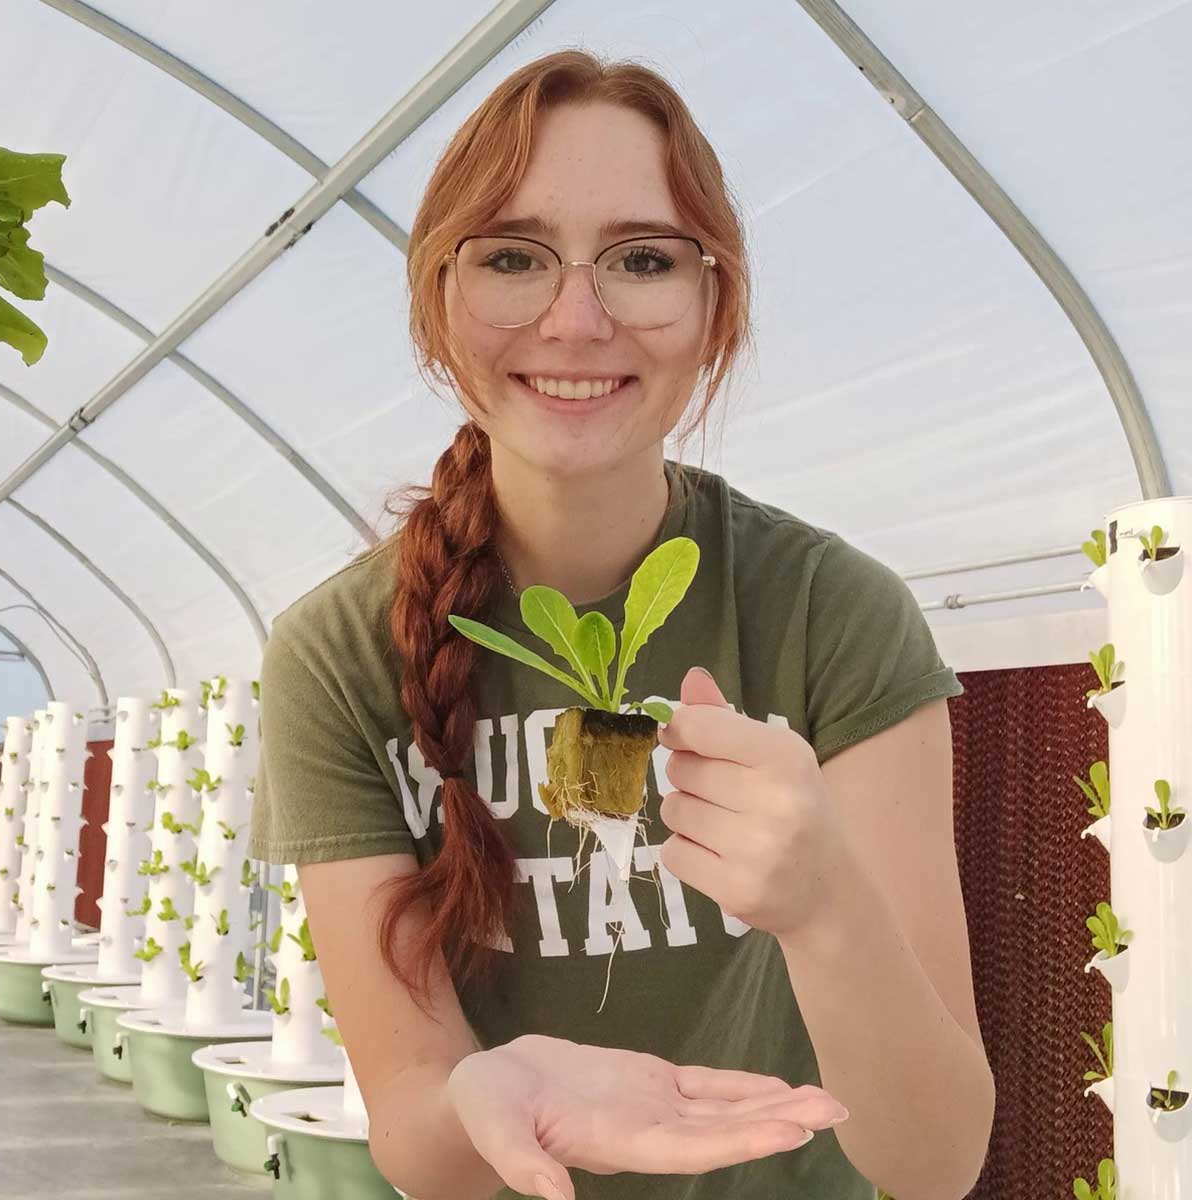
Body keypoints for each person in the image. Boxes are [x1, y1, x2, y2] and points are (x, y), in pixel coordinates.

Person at [249, 49, 965, 1200]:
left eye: (642, 260)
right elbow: (424, 1148)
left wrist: (829, 907)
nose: (575, 319)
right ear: (440, 300)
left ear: (715, 306)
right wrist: (490, 1094)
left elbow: (935, 1161)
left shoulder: (834, 613)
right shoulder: (339, 655)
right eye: (513, 258)